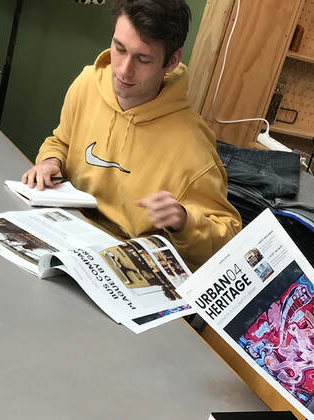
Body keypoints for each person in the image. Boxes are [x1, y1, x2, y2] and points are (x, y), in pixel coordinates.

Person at [21, 0, 241, 270]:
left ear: (171, 61)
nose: (124, 70)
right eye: (119, 49)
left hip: (126, 263)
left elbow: (228, 236)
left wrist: (185, 221)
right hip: (64, 233)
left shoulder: (193, 144)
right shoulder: (87, 83)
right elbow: (61, 141)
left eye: (143, 59)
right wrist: (51, 161)